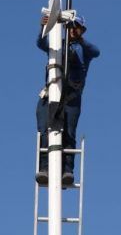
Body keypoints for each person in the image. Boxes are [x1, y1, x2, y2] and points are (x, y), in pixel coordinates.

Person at [36, 14, 100, 186]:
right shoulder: (58, 45)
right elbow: (41, 43)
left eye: (76, 27)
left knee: (69, 134)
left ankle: (67, 171)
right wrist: (43, 28)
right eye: (70, 26)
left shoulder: (83, 49)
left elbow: (96, 52)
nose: (72, 29)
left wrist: (80, 40)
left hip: (71, 99)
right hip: (51, 95)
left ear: (82, 30)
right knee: (46, 132)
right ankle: (45, 168)